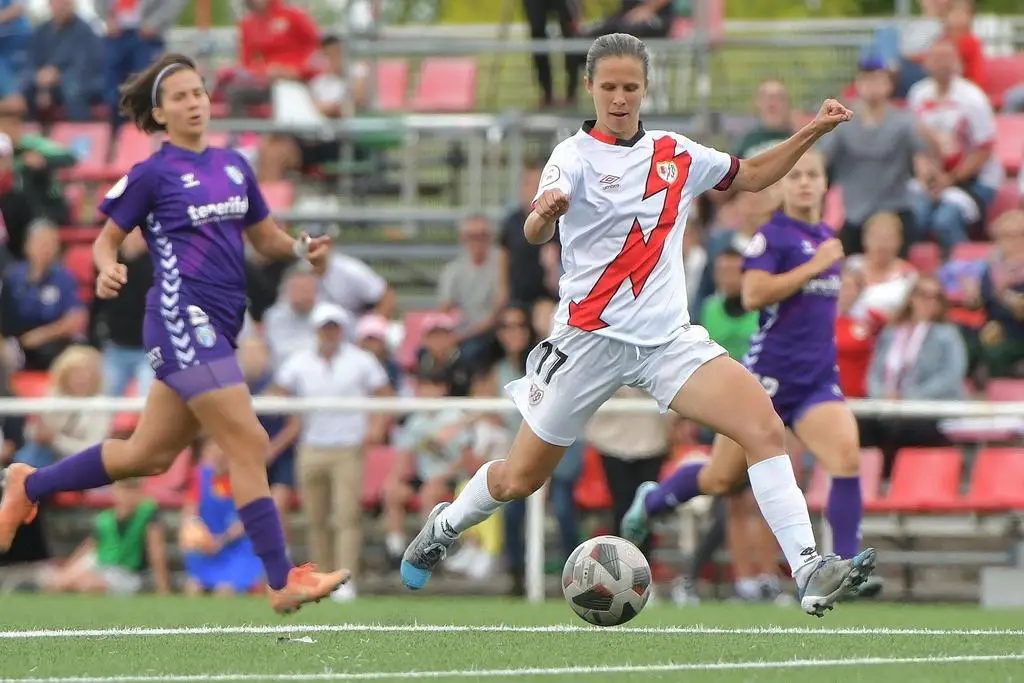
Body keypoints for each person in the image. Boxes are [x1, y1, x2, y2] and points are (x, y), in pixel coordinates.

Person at [400, 33, 876, 617]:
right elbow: (534, 228)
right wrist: (543, 215)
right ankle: (446, 523)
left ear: (645, 89)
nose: (619, 98)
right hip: (587, 343)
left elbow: (750, 175)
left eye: (630, 87)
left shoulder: (677, 153)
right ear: (590, 88)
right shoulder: (571, 157)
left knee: (762, 428)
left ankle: (807, 567)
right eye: (609, 87)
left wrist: (811, 132)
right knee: (519, 479)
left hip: (666, 342)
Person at [0, 53, 347, 614]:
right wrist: (107, 263)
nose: (194, 102)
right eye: (180, 96)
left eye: (199, 92)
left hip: (220, 328)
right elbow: (105, 237)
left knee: (149, 454)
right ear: (158, 113)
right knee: (250, 440)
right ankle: (283, 578)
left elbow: (267, 240)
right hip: (182, 319)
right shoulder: (152, 174)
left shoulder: (235, 165)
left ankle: (29, 483)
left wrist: (304, 249)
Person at [621, 148, 875, 601]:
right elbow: (755, 294)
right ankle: (653, 500)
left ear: (825, 185)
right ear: (780, 185)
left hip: (816, 381)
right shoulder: (772, 238)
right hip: (769, 382)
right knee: (721, 479)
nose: (803, 183)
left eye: (813, 175)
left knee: (847, 459)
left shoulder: (826, 236)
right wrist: (813, 267)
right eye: (795, 175)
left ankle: (845, 574)